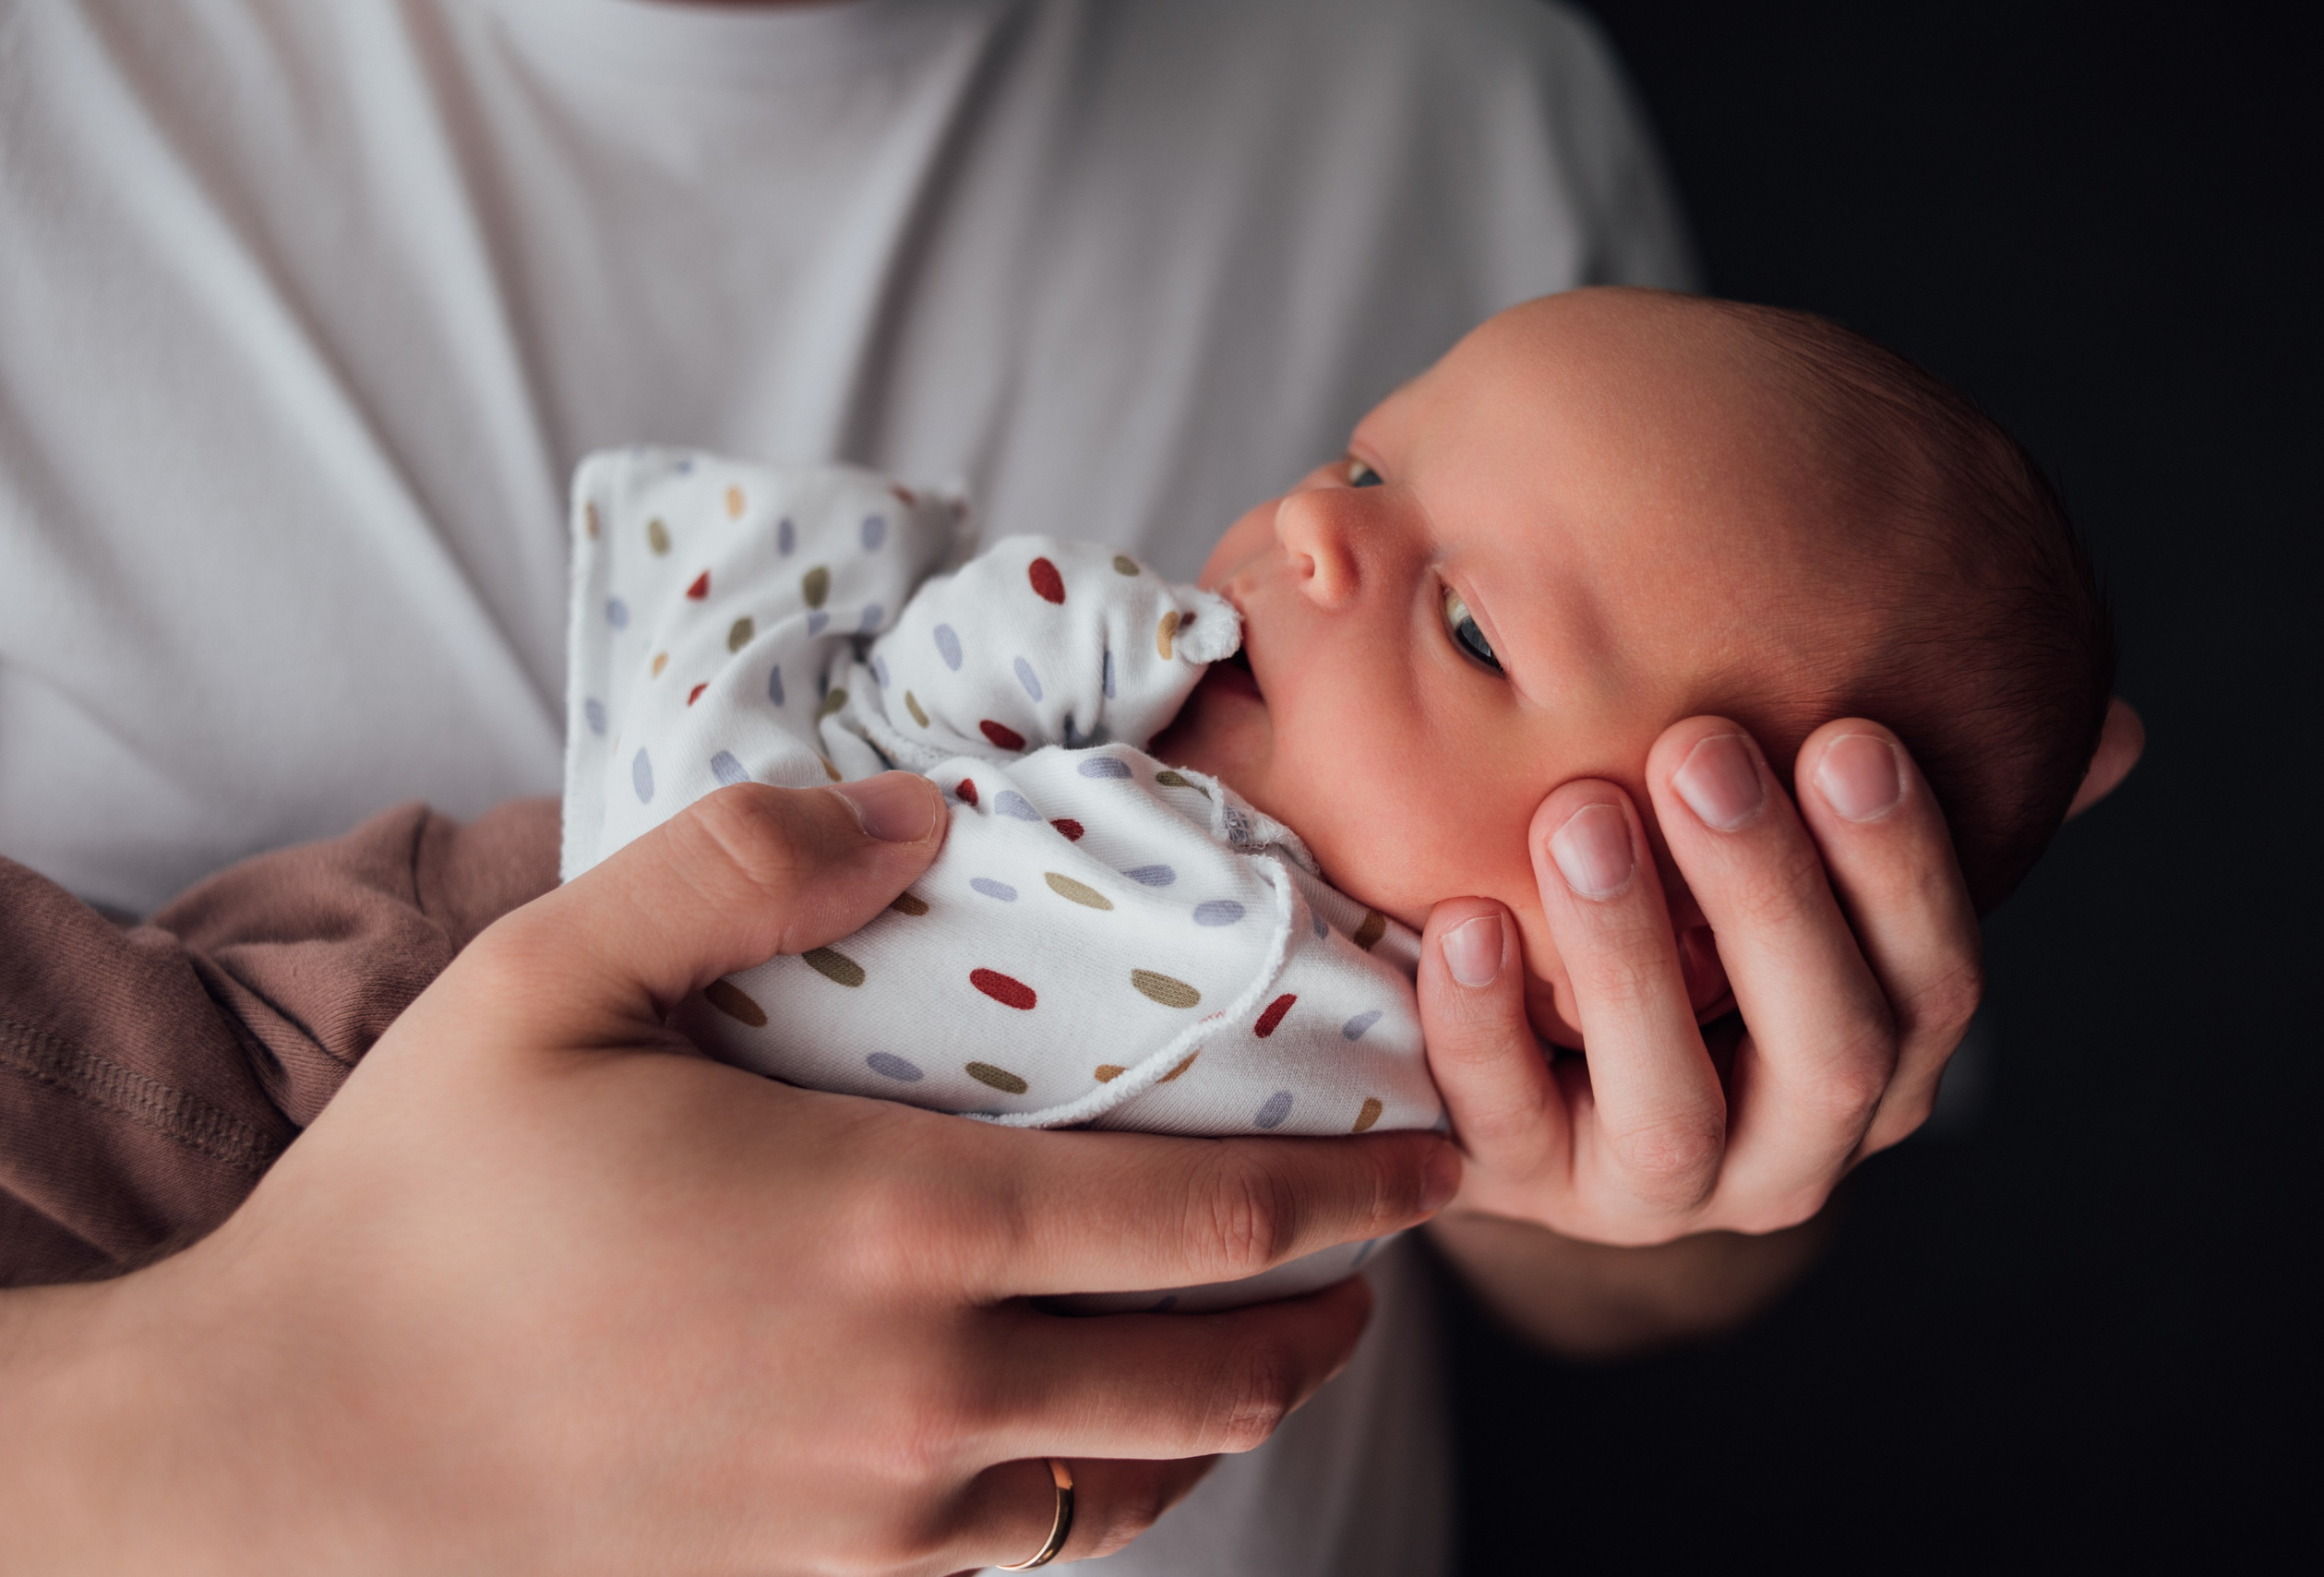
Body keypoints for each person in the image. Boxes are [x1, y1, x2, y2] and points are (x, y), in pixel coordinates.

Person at [0, 1, 2141, 1570]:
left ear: (1653, 933)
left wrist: (1651, 1156)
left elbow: (1612, 1240)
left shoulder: (1445, 86)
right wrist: (235, 1425)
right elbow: (957, 701)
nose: (1309, 529)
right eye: (1362, 458)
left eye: (1467, 623)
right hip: (390, 1050)